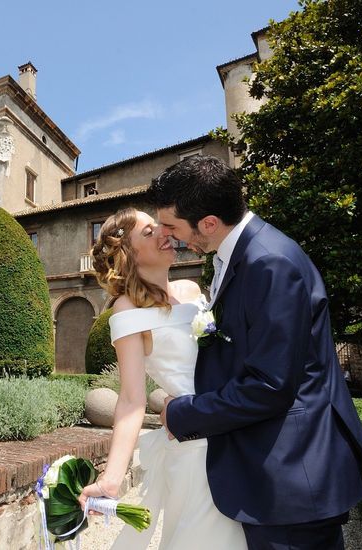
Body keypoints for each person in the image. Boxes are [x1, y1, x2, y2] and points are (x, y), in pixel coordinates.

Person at [151, 155, 362, 549]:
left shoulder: (269, 262)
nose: (169, 236)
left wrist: (183, 412)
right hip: (271, 473)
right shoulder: (241, 254)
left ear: (209, 222)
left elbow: (269, 385)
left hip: (291, 477)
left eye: (172, 226)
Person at [77, 207, 247, 549]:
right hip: (196, 450)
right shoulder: (127, 310)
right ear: (127, 254)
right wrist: (111, 479)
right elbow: (130, 400)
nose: (164, 233)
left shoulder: (192, 289)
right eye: (149, 231)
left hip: (238, 432)